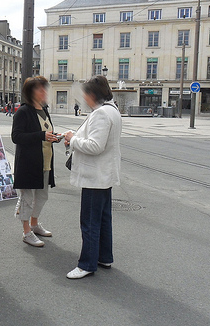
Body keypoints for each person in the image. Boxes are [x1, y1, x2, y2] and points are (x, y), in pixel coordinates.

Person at [64, 76, 122, 279]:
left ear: (93, 95)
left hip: (94, 176)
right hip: (104, 175)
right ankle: (104, 256)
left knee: (89, 221)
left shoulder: (101, 114)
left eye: (85, 94)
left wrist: (72, 140)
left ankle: (87, 264)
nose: (84, 98)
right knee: (104, 219)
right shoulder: (112, 110)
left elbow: (95, 146)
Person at [12, 76, 60, 247]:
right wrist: (41, 136)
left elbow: (45, 131)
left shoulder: (43, 109)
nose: (44, 92)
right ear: (31, 92)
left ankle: (34, 224)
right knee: (27, 198)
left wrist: (54, 137)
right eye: (40, 89)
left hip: (44, 161)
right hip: (28, 163)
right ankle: (26, 232)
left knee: (42, 196)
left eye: (44, 88)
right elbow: (16, 137)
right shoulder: (23, 111)